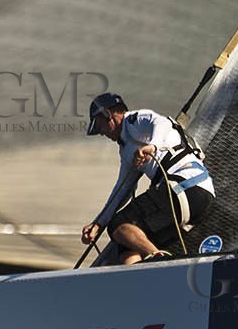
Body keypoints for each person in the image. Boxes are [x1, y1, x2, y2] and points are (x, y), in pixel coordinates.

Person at [80, 92, 213, 264]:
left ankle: (160, 260)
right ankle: (136, 280)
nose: (100, 133)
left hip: (186, 187)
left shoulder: (133, 121)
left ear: (108, 115)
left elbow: (161, 122)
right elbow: (122, 190)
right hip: (195, 200)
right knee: (127, 242)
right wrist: (98, 224)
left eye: (99, 126)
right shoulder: (127, 151)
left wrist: (153, 146)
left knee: (119, 223)